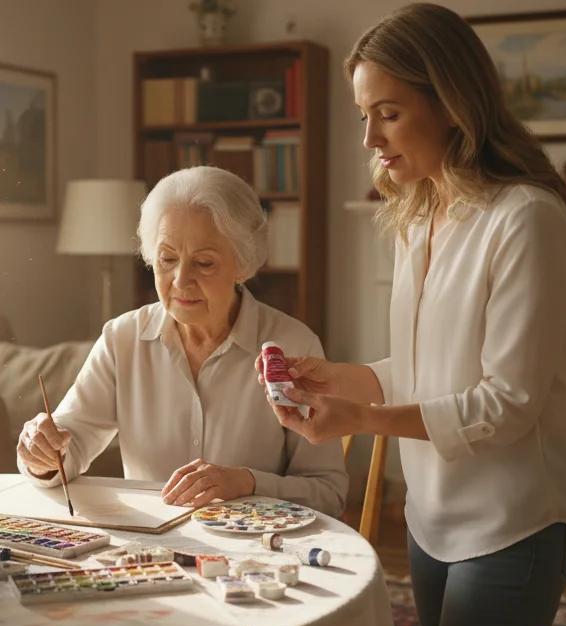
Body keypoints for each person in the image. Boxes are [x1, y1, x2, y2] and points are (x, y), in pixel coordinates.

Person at [261, 4, 566, 626]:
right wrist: (334, 378)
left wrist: (361, 420)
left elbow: (507, 404)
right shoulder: (420, 216)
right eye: (363, 115)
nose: (370, 139)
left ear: (452, 104)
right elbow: (419, 371)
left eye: (388, 113)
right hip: (435, 521)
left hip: (516, 523)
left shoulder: (527, 220)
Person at [19, 165, 347, 517]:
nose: (180, 280)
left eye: (204, 263)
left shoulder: (293, 345)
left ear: (243, 263)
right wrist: (43, 454)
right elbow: (70, 442)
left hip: (257, 555)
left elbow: (328, 493)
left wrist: (249, 483)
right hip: (150, 554)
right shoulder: (122, 339)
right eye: (167, 259)